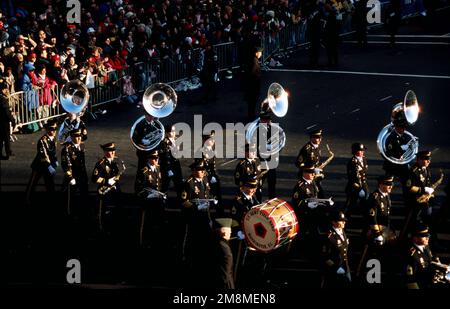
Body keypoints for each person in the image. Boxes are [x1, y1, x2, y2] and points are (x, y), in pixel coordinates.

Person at [180, 159, 214, 285]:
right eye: (200, 170)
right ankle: (188, 260)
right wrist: (196, 207)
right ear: (194, 171)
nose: (202, 172)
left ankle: (202, 259)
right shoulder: (188, 183)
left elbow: (207, 194)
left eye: (203, 170)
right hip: (193, 216)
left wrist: (211, 202)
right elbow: (184, 202)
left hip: (205, 215)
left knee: (204, 238)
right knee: (191, 238)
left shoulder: (205, 179)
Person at [403, 150, 437, 241]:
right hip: (415, 202)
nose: (428, 161)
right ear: (418, 159)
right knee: (411, 223)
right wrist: (424, 189)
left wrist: (430, 193)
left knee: (427, 222)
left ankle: (427, 240)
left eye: (429, 159)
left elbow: (427, 183)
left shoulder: (426, 169)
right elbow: (409, 188)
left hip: (425, 201)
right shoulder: (413, 171)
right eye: (426, 159)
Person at [134, 149, 165, 248]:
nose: (156, 160)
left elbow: (160, 184)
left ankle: (155, 242)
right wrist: (149, 195)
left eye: (157, 158)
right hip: (147, 203)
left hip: (157, 202)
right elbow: (138, 189)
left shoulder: (158, 168)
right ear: (149, 159)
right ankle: (143, 243)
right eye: (154, 158)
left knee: (157, 223)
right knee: (146, 224)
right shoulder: (144, 171)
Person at [91, 142, 125, 232]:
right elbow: (94, 179)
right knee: (104, 211)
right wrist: (106, 181)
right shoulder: (100, 164)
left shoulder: (117, 161)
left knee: (118, 207)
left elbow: (120, 171)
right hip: (104, 190)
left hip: (115, 189)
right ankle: (102, 227)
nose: (113, 153)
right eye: (110, 151)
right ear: (105, 151)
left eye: (113, 150)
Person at [25, 120, 59, 204]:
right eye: (52, 129)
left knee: (50, 184)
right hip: (39, 165)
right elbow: (43, 155)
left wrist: (55, 161)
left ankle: (52, 200)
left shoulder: (53, 139)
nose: (54, 131)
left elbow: (53, 152)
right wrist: (49, 166)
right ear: (47, 129)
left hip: (48, 165)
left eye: (55, 128)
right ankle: (27, 199)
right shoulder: (42, 140)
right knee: (32, 184)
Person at [60, 128, 88, 216]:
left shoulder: (82, 145)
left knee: (84, 195)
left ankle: (84, 212)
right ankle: (69, 212)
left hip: (82, 174)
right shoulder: (67, 149)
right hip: (73, 175)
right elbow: (65, 165)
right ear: (71, 137)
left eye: (80, 136)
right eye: (76, 136)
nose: (79, 138)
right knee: (70, 196)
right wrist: (70, 177)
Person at [295, 128, 330, 197]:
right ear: (311, 138)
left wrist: (319, 170)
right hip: (306, 176)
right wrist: (312, 170)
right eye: (317, 138)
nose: (320, 140)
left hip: (314, 176)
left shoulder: (317, 148)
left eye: (320, 137)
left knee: (317, 194)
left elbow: (316, 162)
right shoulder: (306, 149)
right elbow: (298, 164)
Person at [405, 224, 441, 289]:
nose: (428, 238)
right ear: (415, 238)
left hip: (430, 281)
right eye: (424, 236)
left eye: (428, 235)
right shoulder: (412, 255)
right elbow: (410, 279)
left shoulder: (425, 246)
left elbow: (431, 260)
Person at [321, 211, 351, 288]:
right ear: (333, 222)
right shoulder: (329, 236)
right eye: (341, 220)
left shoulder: (342, 232)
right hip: (334, 270)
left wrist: (345, 267)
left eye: (344, 220)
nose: (344, 222)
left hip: (345, 267)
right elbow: (325, 256)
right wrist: (336, 268)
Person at [382, 118, 411, 184]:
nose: (403, 129)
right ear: (396, 128)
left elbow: (407, 148)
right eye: (401, 127)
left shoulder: (403, 137)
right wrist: (401, 149)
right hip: (392, 166)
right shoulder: (391, 137)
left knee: (405, 183)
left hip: (401, 165)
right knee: (388, 183)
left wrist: (410, 146)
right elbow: (389, 153)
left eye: (404, 128)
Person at [159, 124, 183, 199]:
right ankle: (162, 201)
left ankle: (180, 200)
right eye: (171, 131)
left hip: (176, 165)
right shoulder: (164, 142)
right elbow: (165, 156)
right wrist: (168, 169)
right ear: (167, 133)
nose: (174, 132)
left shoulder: (176, 140)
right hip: (167, 167)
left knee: (179, 185)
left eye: (174, 131)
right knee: (165, 185)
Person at [345, 143, 369, 217]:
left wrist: (364, 187)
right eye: (360, 151)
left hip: (364, 184)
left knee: (365, 202)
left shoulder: (364, 159)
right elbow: (351, 178)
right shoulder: (352, 162)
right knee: (351, 204)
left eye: (363, 151)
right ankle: (344, 218)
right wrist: (359, 189)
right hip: (354, 187)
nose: (362, 152)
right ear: (354, 151)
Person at [210, 218, 235, 289]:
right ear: (223, 232)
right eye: (229, 231)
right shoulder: (224, 247)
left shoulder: (215, 242)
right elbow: (226, 270)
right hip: (224, 284)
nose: (230, 233)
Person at [244, 46, 262, 121]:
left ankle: (251, 114)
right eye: (260, 52)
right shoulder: (254, 61)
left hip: (253, 84)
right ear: (256, 53)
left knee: (252, 101)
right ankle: (251, 116)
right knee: (252, 101)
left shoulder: (254, 60)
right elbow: (252, 73)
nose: (261, 54)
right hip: (253, 85)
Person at [0, 82, 15, 159]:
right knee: (6, 138)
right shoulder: (3, 100)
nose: (7, 91)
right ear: (2, 90)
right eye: (6, 89)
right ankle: (8, 153)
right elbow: (7, 112)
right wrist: (13, 120)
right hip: (4, 122)